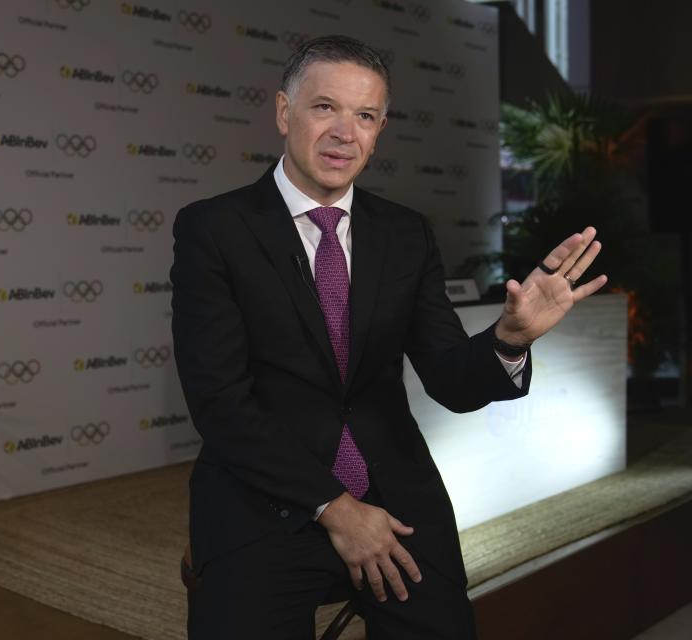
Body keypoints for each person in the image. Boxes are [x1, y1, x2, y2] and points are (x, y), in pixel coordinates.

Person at [170, 35, 606, 639]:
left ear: (378, 130)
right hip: (263, 496)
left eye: (365, 115)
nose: (345, 132)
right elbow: (220, 403)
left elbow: (451, 380)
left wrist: (508, 337)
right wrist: (337, 509)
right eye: (325, 107)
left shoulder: (405, 234)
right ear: (282, 112)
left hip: (395, 495)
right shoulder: (213, 229)